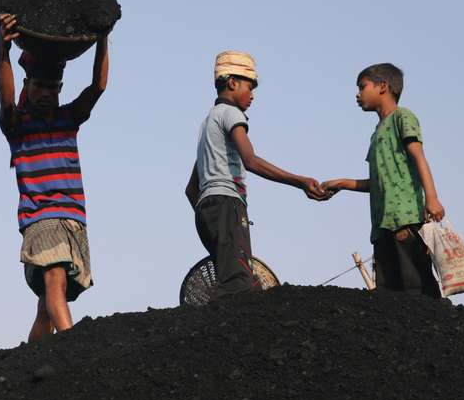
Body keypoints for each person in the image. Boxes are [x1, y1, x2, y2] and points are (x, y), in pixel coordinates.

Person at [0, 13, 110, 341]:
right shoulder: (18, 125)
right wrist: (3, 51)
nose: (46, 93)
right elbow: (5, 96)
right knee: (55, 280)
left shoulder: (67, 119)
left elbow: (98, 86)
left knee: (47, 305)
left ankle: (33, 361)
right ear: (27, 86)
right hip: (41, 219)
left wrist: (103, 39)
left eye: (52, 87)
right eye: (39, 86)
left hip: (73, 219)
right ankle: (73, 351)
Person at [185, 51, 329, 296]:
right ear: (232, 83)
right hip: (227, 204)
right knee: (239, 287)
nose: (252, 96)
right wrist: (300, 181)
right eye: (249, 88)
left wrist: (212, 219)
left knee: (232, 278)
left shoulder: (208, 123)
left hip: (206, 210)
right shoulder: (231, 114)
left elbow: (191, 190)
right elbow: (250, 161)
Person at [323, 63, 444, 298]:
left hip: (405, 220)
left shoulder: (402, 117)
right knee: (388, 294)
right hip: (382, 225)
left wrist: (432, 197)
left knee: (416, 288)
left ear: (383, 86)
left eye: (362, 87)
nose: (357, 94)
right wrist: (342, 183)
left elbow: (419, 157)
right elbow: (379, 182)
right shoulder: (377, 132)